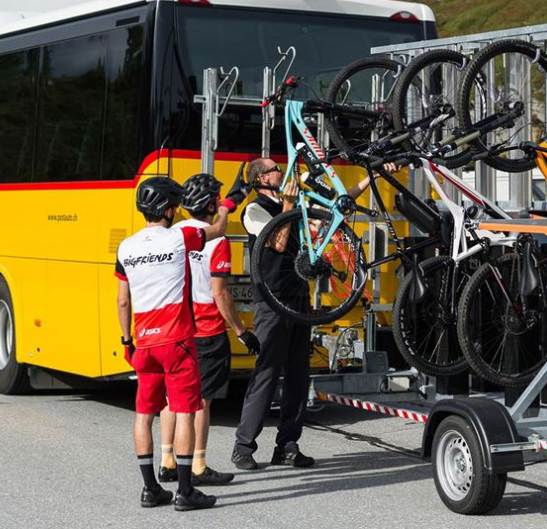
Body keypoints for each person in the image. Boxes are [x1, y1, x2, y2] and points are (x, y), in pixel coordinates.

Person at [231, 157, 390, 470]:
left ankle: (287, 445)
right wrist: (289, 203)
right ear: (262, 178)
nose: (281, 171)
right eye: (275, 168)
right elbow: (277, 244)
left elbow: (336, 207)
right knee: (266, 373)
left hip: (299, 300)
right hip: (272, 302)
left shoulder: (297, 207)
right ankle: (243, 446)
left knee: (298, 378)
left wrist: (373, 176)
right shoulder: (253, 210)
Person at [114, 175, 240, 511]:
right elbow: (218, 230)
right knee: (186, 409)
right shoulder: (180, 236)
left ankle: (150, 489)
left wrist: (127, 340)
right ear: (170, 208)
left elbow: (123, 301)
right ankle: (185, 491)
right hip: (178, 342)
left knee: (144, 414)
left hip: (144, 343)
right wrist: (226, 206)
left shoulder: (126, 247)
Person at [159, 174, 262, 487]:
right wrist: (242, 331)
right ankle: (199, 465)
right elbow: (220, 294)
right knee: (202, 401)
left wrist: (231, 201)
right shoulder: (218, 241)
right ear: (209, 204)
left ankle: (167, 460)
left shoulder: (174, 233)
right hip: (207, 330)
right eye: (216, 200)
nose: (220, 204)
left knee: (171, 397)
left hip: (176, 327)